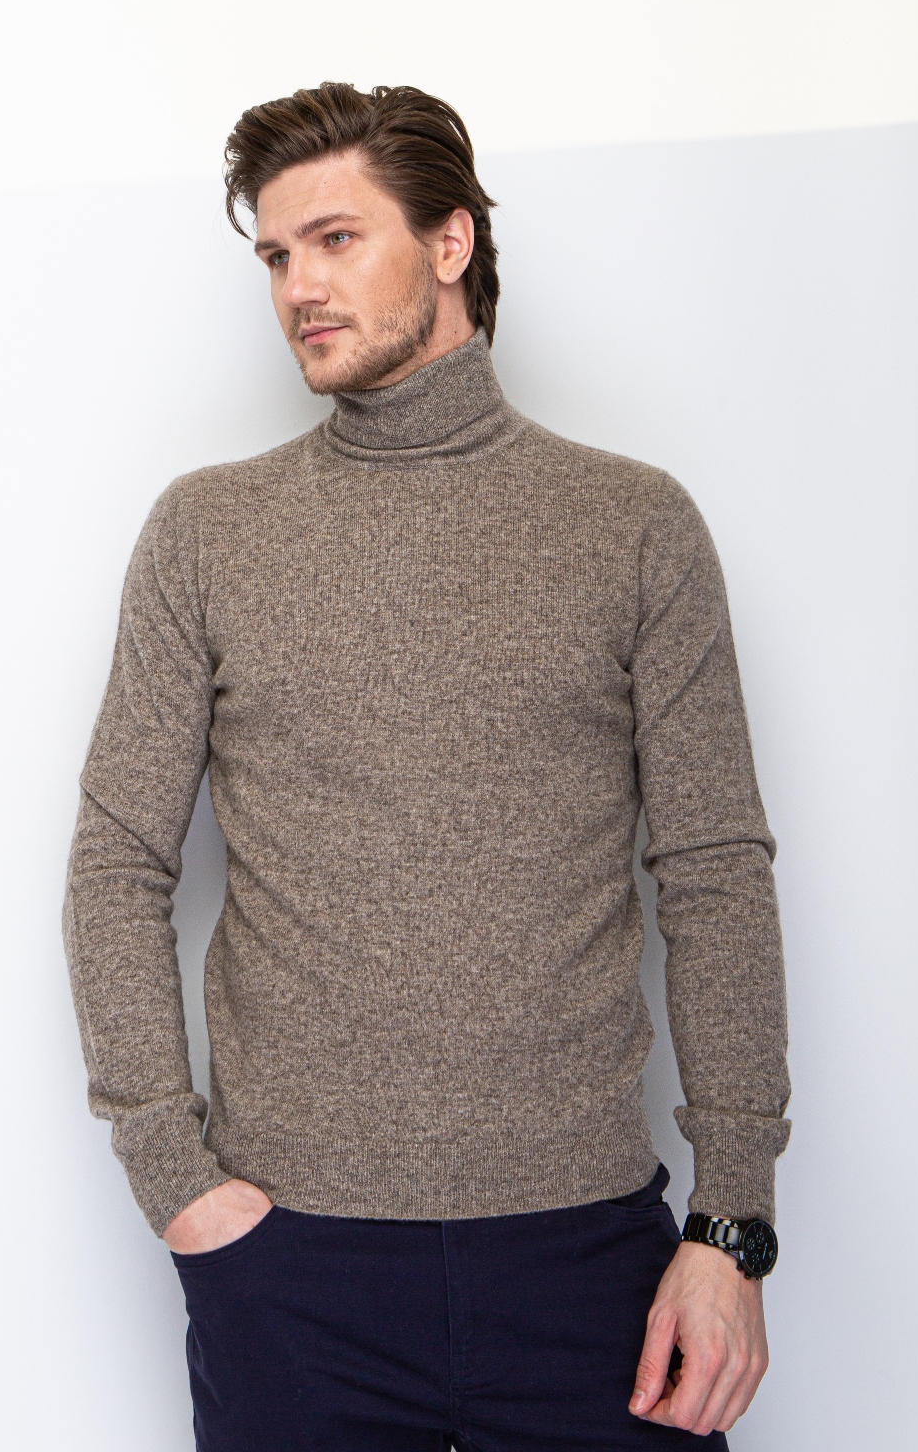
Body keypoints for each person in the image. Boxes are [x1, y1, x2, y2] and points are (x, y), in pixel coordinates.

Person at [63, 82, 791, 1450]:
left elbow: (714, 877)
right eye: (276, 256)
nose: (298, 287)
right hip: (291, 1268)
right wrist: (177, 1181)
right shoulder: (209, 534)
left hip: (592, 1259)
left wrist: (732, 1222)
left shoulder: (633, 526)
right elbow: (117, 865)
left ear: (450, 242)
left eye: (336, 239)